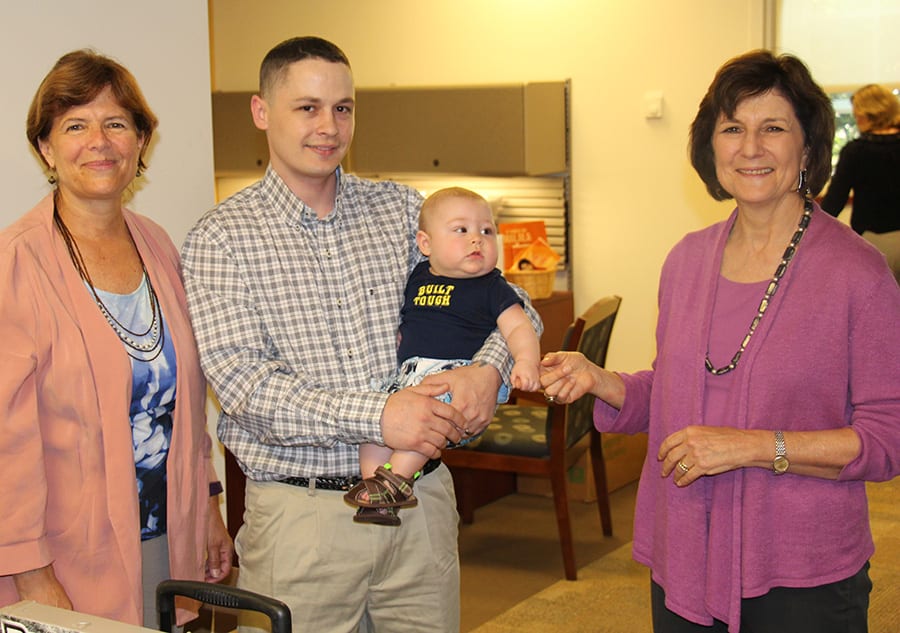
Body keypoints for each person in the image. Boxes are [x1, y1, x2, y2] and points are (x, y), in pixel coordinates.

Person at [180, 36, 540, 632]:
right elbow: (246, 388)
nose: (329, 126)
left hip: (419, 506)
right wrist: (380, 416)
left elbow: (508, 296)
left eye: (342, 108)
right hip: (303, 522)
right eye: (307, 108)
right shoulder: (221, 239)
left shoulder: (402, 211)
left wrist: (489, 370)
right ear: (261, 112)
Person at [541, 50, 900, 632]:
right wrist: (602, 381)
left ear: (807, 148)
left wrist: (755, 447)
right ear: (711, 146)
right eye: (732, 128)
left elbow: (888, 437)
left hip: (799, 571)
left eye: (773, 128)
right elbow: (679, 390)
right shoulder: (685, 260)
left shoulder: (858, 273)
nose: (750, 147)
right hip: (685, 553)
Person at [0, 50, 233, 628]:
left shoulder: (158, 246)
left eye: (116, 124)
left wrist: (207, 505)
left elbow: (185, 399)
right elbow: (7, 441)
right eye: (75, 125)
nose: (98, 141)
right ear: (46, 149)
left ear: (140, 144)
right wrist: (32, 574)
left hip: (164, 534)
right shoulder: (15, 263)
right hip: (63, 555)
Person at [345, 186, 542, 526]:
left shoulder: (492, 288)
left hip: (453, 378)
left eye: (486, 231)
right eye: (461, 230)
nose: (476, 240)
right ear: (425, 245)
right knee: (374, 424)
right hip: (408, 376)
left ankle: (397, 480)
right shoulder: (418, 276)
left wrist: (525, 362)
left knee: (425, 425)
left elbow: (519, 328)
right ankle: (375, 487)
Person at [821, 83, 900, 282]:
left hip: (874, 242)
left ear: (867, 113)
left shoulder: (856, 152)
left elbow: (835, 201)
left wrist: (814, 231)